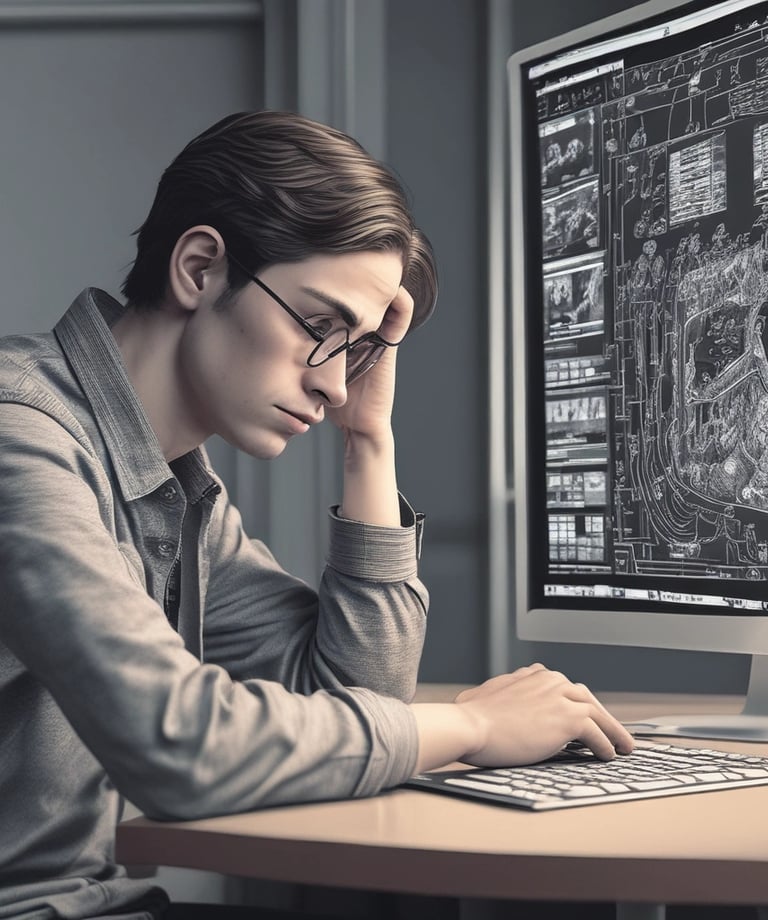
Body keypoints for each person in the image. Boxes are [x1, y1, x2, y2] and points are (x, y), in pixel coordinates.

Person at [0, 110, 633, 920]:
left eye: (358, 346)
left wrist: (370, 437)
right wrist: (470, 727)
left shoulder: (172, 488)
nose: (334, 382)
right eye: (318, 327)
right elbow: (180, 746)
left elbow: (356, 689)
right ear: (199, 269)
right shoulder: (23, 438)